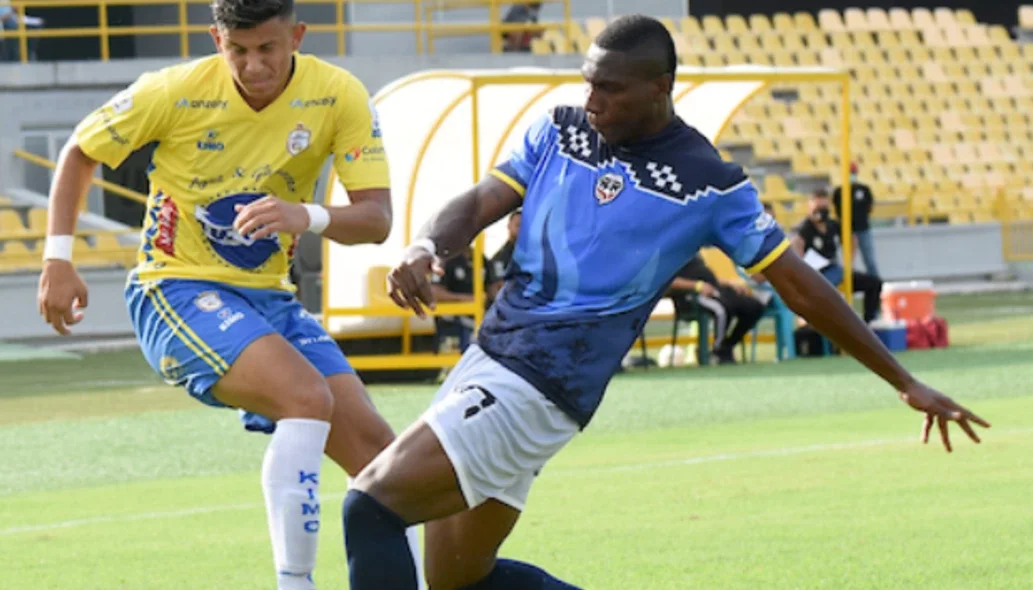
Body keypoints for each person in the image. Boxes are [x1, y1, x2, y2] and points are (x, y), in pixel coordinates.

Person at [343, 15, 990, 589]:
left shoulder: (707, 182)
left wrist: (901, 379)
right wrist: (424, 244)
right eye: (587, 82)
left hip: (539, 385)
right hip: (488, 361)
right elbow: (484, 199)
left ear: (659, 87)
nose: (590, 100)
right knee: (458, 580)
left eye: (609, 88)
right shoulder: (558, 128)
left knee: (369, 506)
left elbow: (799, 286)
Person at [34, 1, 424, 588]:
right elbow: (80, 152)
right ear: (217, 38)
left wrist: (305, 215)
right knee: (306, 398)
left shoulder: (337, 94)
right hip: (175, 287)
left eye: (267, 48)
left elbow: (375, 220)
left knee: (386, 465)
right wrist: (57, 260)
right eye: (237, 50)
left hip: (271, 298)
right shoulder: (173, 90)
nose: (253, 65)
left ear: (296, 35)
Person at [792, 189, 883, 323]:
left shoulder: (833, 225)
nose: (821, 212)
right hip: (815, 275)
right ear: (809, 208)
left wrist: (848, 262)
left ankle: (869, 322)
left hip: (835, 271)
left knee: (873, 282)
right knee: (827, 290)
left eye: (824, 208)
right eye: (818, 208)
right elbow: (796, 246)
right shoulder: (803, 228)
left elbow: (852, 239)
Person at [667, 252, 767, 365]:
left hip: (713, 289)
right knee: (722, 309)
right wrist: (697, 286)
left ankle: (727, 346)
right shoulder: (669, 254)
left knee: (753, 307)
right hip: (690, 296)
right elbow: (668, 282)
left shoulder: (692, 251)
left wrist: (729, 283)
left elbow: (706, 277)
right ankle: (718, 350)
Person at [831, 162, 880, 277]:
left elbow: (869, 207)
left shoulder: (864, 189)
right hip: (847, 230)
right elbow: (836, 210)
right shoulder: (839, 191)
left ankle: (876, 284)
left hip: (863, 229)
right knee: (848, 262)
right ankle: (847, 284)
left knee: (869, 260)